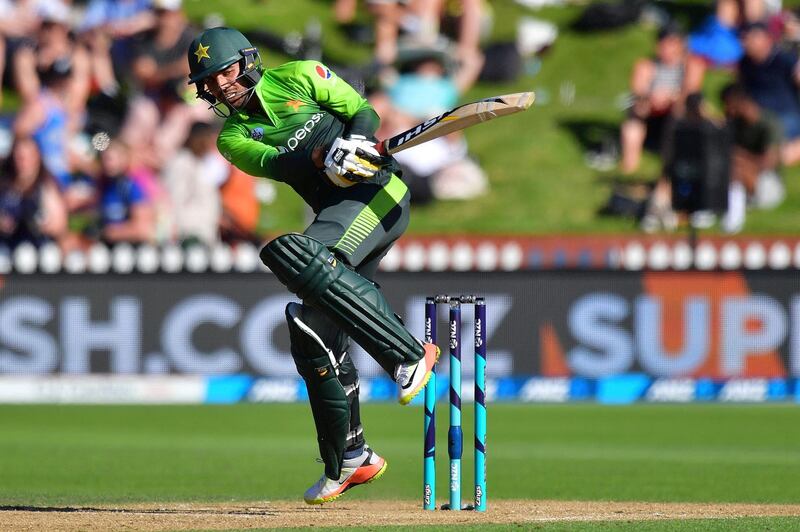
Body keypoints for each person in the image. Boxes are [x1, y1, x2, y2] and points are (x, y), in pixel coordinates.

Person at [186, 27, 438, 505]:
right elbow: (285, 165)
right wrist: (326, 156)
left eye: (224, 72)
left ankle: (406, 353)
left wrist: (358, 142)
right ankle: (350, 455)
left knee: (294, 252)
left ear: (247, 60)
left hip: (379, 194)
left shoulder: (300, 76)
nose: (219, 86)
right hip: (336, 216)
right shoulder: (233, 138)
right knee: (306, 326)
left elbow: (362, 111)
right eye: (208, 81)